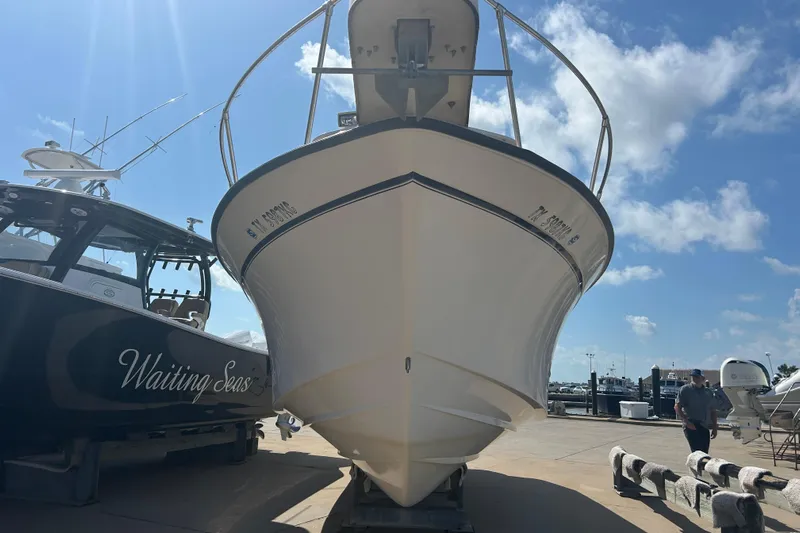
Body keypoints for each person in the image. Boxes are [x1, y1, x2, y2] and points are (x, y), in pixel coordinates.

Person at [674, 369, 718, 453]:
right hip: (691, 424)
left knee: (705, 452)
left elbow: (713, 410)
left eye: (697, 377)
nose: (694, 379)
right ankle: (695, 465)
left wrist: (715, 427)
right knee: (697, 452)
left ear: (703, 379)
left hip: (704, 425)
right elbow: (677, 406)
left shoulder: (708, 392)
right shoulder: (685, 390)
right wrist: (686, 421)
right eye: (693, 377)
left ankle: (701, 466)